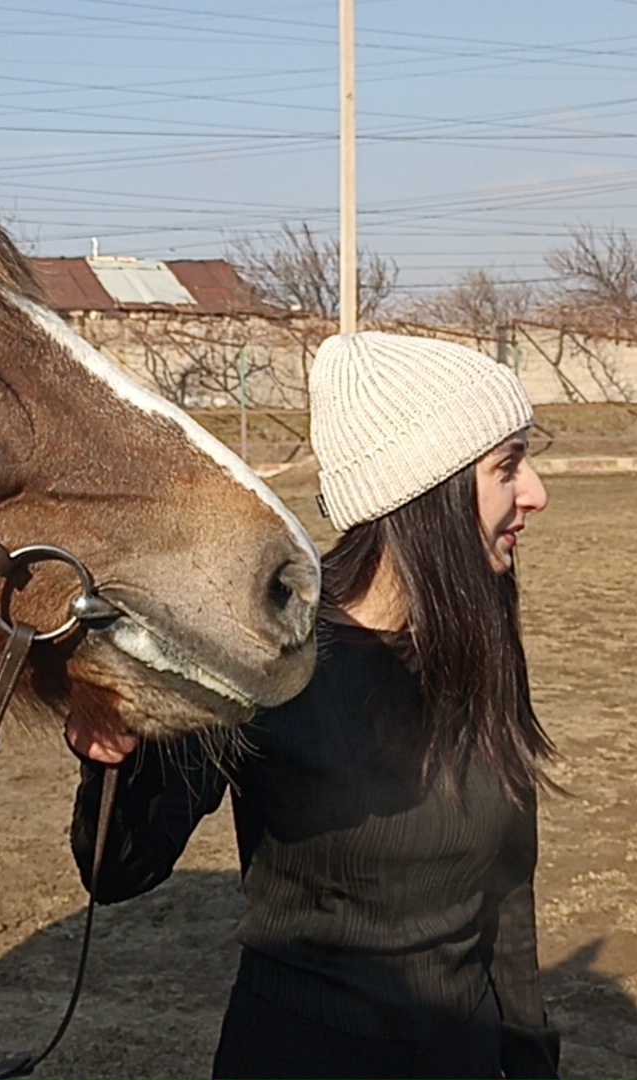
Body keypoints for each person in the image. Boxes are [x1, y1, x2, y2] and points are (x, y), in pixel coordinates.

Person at [66, 332, 563, 1080]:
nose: (535, 492)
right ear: (426, 492)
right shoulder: (265, 654)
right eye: (507, 467)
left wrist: (529, 1060)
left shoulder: (477, 641)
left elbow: (508, 893)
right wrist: (115, 749)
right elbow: (119, 869)